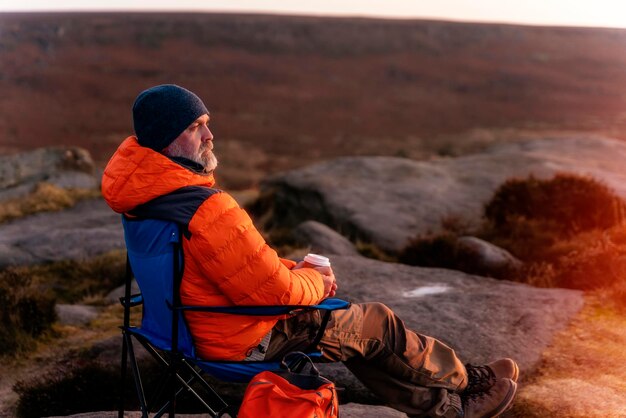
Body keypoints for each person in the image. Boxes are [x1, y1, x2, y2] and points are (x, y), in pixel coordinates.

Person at [102, 84, 519, 418]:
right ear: (168, 140)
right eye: (196, 127)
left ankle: (446, 406)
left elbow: (220, 269)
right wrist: (314, 282)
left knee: (354, 332)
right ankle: (467, 385)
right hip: (241, 338)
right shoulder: (206, 208)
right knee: (374, 324)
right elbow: (273, 294)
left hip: (179, 332)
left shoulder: (141, 202)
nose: (210, 135)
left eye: (207, 123)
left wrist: (290, 270)